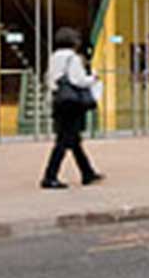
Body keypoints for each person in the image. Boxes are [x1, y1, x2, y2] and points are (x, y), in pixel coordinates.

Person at [40, 27, 103, 190]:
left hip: (59, 101)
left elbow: (50, 78)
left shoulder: (54, 57)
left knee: (73, 140)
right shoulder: (72, 58)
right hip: (72, 104)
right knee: (64, 140)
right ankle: (50, 176)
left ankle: (87, 172)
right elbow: (78, 80)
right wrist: (93, 79)